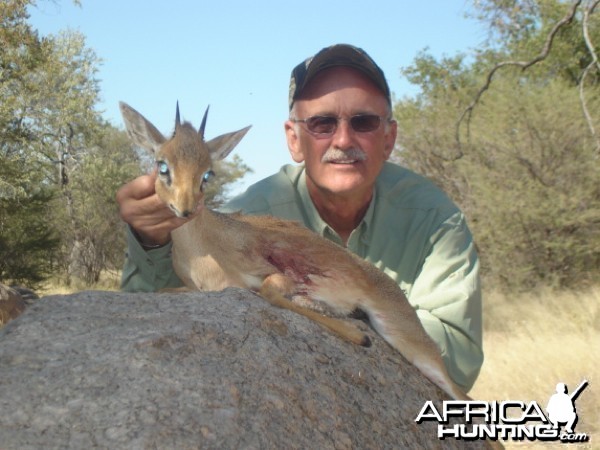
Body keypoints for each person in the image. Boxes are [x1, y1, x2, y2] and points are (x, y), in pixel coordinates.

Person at [116, 44, 484, 391]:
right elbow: (150, 306)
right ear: (293, 139)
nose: (342, 140)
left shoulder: (436, 219)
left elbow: (460, 357)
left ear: (389, 137)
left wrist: (347, 314)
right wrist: (151, 237)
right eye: (322, 123)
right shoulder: (252, 210)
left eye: (364, 122)